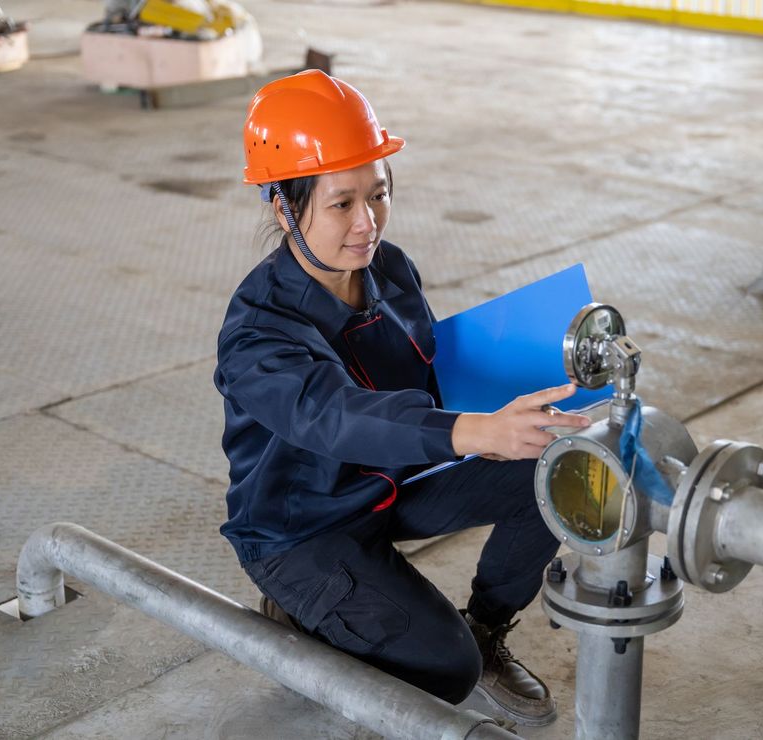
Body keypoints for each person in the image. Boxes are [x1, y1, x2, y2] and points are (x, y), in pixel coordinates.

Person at [214, 69, 591, 727]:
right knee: (444, 670)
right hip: (303, 526)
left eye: (379, 195)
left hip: (392, 480)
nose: (367, 224)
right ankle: (300, 612)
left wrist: (521, 400)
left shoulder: (387, 268)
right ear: (282, 206)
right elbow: (335, 415)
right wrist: (474, 433)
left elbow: (427, 372)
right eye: (340, 204)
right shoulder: (257, 331)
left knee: (556, 466)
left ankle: (486, 627)